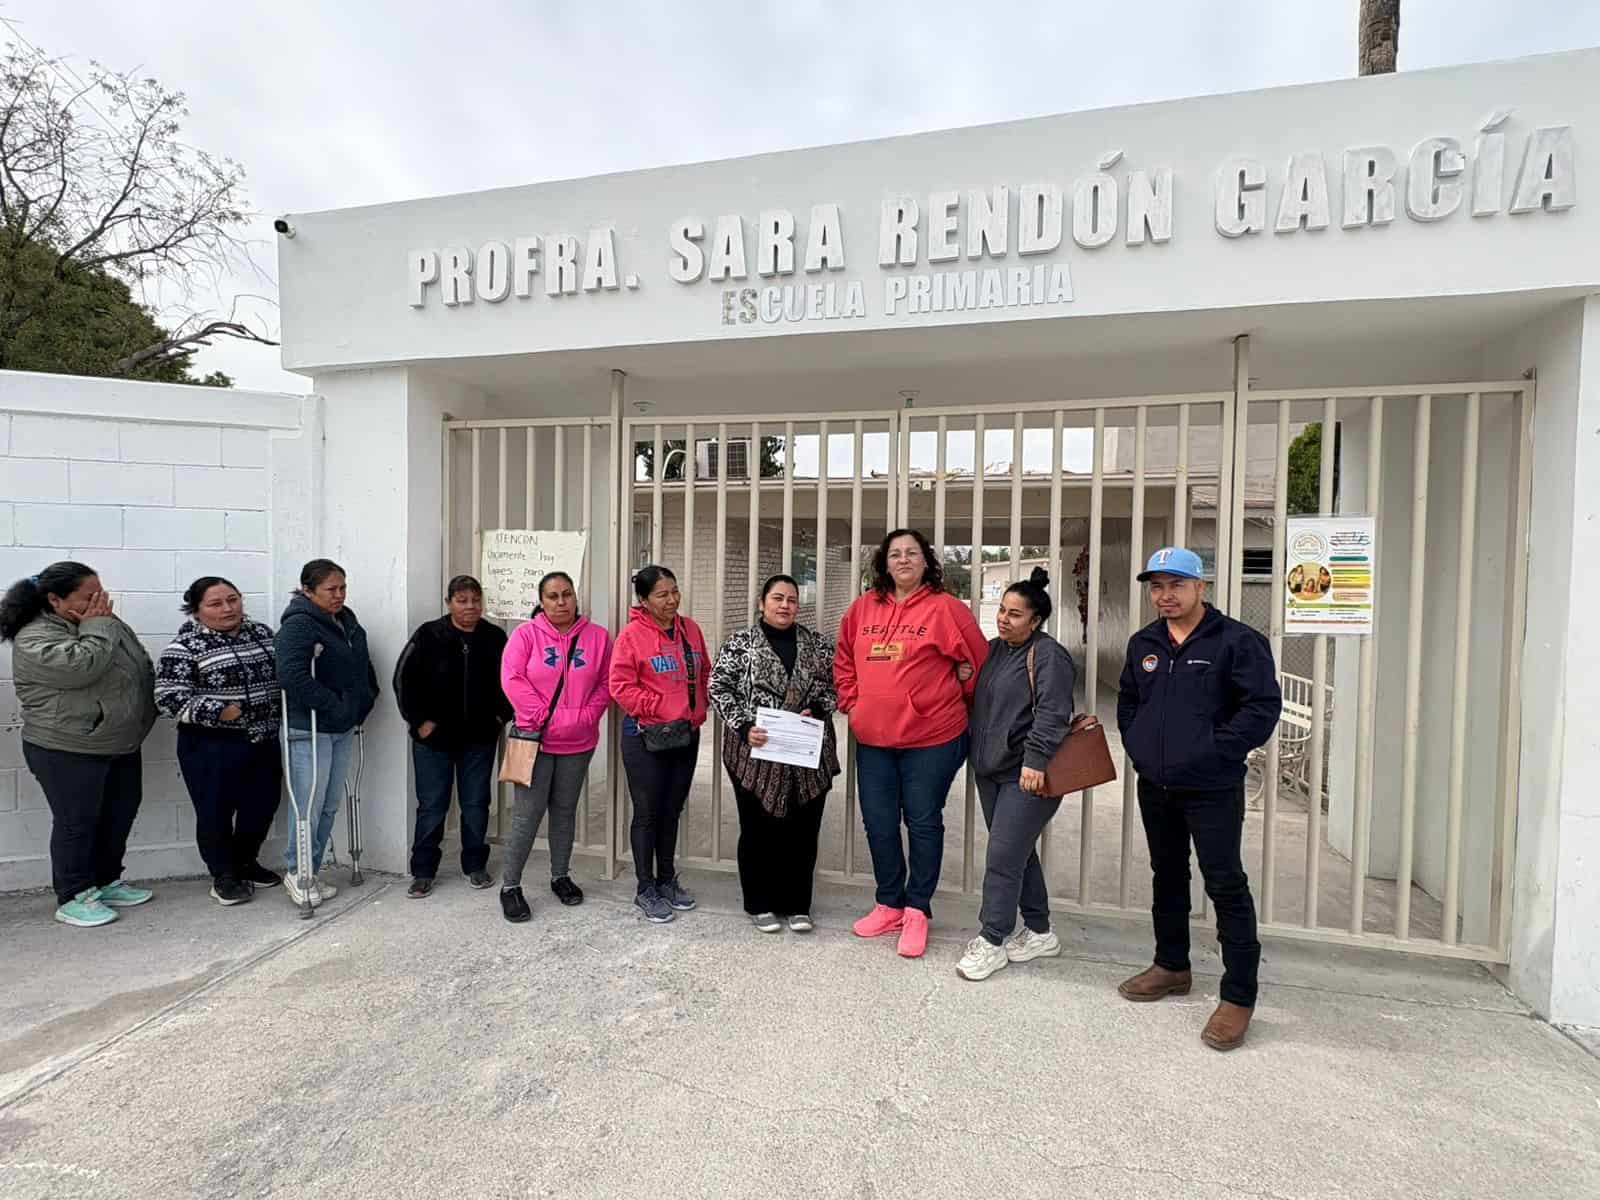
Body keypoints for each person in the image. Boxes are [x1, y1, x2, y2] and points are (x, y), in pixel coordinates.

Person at [1116, 546, 1282, 1051]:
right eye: (1157, 587)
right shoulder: (1144, 642)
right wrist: (1139, 743)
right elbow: (1128, 701)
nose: (1165, 596)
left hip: (1212, 785)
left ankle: (1238, 995)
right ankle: (1171, 965)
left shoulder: (1237, 642)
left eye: (1176, 586)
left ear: (1200, 588)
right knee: (1167, 875)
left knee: (1225, 883)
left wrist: (1216, 751)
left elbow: (1261, 707)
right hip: (1157, 783)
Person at [833, 528, 989, 958]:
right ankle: (889, 903)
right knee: (878, 822)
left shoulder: (946, 609)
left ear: (926, 562)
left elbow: (978, 663)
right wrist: (853, 703)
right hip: (874, 738)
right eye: (895, 554)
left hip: (932, 739)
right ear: (884, 562)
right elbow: (844, 658)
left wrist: (958, 690)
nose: (903, 560)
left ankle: (918, 908)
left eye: (912, 553)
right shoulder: (863, 608)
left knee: (922, 821)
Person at [1, 562, 157, 927]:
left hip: (119, 741)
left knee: (119, 815)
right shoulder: (34, 636)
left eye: (100, 592)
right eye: (90, 596)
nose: (101, 602)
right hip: (67, 746)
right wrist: (100, 625)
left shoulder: (99, 622)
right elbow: (82, 666)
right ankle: (74, 894)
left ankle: (106, 880)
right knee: (78, 822)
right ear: (55, 599)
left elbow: (138, 661)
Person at [956, 567, 1079, 981]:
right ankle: (1041, 931)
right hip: (990, 770)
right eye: (1003, 610)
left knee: (1002, 857)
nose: (1004, 619)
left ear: (1036, 620)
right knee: (1017, 853)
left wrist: (1035, 761)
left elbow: (1052, 713)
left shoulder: (1048, 656)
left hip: (1026, 775)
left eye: (1015, 614)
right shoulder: (994, 651)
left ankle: (992, 939)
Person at [708, 574, 840, 934]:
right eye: (777, 598)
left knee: (802, 830)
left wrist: (818, 704)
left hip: (807, 754)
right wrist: (742, 724)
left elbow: (838, 685)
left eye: (792, 600)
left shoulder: (818, 645)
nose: (785, 605)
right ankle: (759, 902)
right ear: (761, 603)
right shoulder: (740, 643)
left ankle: (797, 904)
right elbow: (718, 687)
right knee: (758, 829)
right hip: (754, 751)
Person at [155, 577, 282, 906]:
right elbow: (167, 699)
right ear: (196, 611)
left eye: (233, 599)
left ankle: (246, 862)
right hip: (211, 744)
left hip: (263, 737)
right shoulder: (183, 647)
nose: (228, 608)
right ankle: (224, 875)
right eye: (215, 603)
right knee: (216, 810)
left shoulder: (262, 635)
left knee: (262, 805)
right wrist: (217, 711)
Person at [498, 570, 612, 923]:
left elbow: (607, 682)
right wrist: (546, 716)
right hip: (534, 740)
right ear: (541, 601)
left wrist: (586, 716)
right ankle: (510, 887)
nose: (561, 602)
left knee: (564, 812)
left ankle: (560, 876)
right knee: (526, 816)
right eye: (553, 596)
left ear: (576, 596)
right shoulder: (525, 635)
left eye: (567, 594)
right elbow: (511, 678)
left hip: (578, 742)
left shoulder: (598, 637)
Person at [393, 575, 513, 898]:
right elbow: (403, 679)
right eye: (462, 600)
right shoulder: (429, 634)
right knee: (432, 806)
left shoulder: (494, 638)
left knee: (476, 804)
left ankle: (474, 865)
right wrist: (419, 721)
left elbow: (511, 682)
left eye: (475, 600)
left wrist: (499, 719)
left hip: (478, 740)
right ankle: (423, 871)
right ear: (449, 603)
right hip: (434, 742)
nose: (470, 606)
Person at [608, 565, 710, 924]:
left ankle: (667, 880)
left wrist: (695, 711)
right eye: (662, 594)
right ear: (644, 600)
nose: (671, 599)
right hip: (645, 737)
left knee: (672, 810)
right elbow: (620, 686)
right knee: (648, 812)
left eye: (675, 591)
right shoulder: (632, 636)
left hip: (685, 734)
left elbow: (704, 672)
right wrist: (660, 709)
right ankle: (645, 887)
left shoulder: (691, 630)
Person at [275, 558, 379, 908]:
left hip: (342, 727)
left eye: (343, 588)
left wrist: (365, 699)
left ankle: (312, 870)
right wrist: (334, 705)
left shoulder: (348, 623)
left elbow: (362, 667)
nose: (339, 595)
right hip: (310, 728)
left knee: (330, 805)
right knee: (308, 804)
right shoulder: (299, 625)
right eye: (330, 590)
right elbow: (292, 677)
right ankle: (297, 871)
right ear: (307, 590)